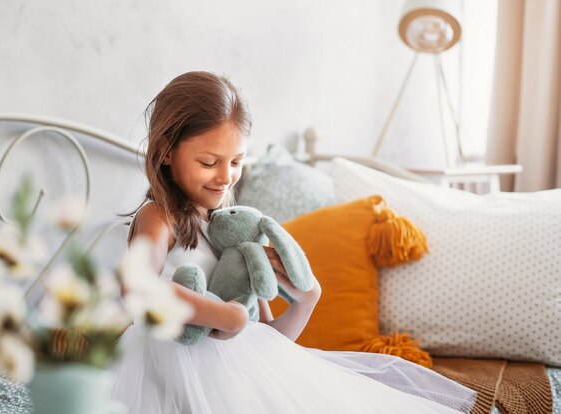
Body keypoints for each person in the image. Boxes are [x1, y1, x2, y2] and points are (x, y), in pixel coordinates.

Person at [110, 71, 476, 413]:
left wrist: (305, 303)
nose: (226, 177)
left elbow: (265, 339)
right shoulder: (160, 216)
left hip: (236, 383)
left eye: (236, 161)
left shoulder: (233, 230)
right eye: (208, 162)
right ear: (166, 152)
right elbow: (136, 286)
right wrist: (223, 315)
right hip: (163, 380)